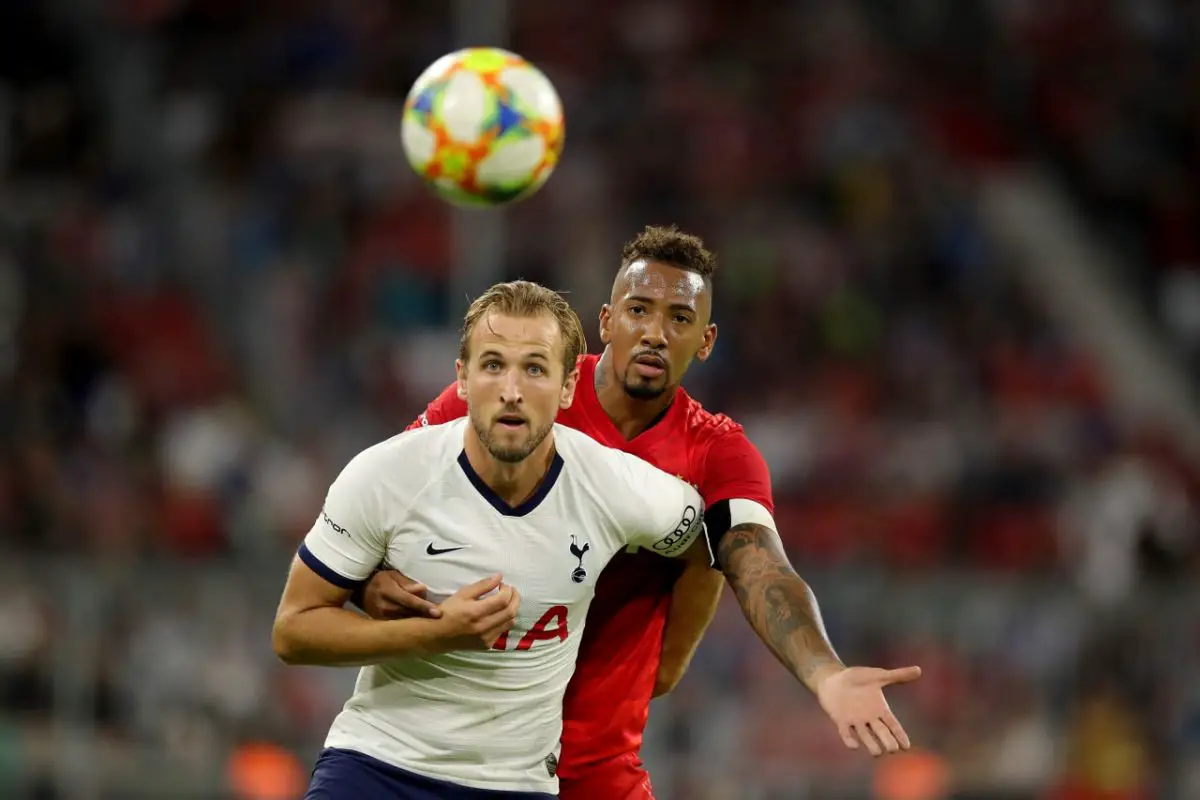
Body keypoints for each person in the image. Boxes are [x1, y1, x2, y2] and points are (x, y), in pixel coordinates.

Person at [359, 226, 923, 799]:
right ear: (606, 322)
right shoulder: (513, 390)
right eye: (638, 310)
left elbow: (759, 564)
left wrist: (825, 674)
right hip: (450, 753)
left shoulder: (714, 454)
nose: (654, 332)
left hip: (593, 766)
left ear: (705, 341)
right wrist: (368, 581)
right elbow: (384, 502)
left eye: (680, 318)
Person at [273, 281, 711, 799]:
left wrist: (670, 663)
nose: (511, 390)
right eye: (493, 365)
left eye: (534, 368)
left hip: (514, 785)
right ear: (461, 378)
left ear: (568, 386)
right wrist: (438, 633)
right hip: (378, 765)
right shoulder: (386, 474)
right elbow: (293, 631)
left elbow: (709, 547)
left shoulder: (615, 486)